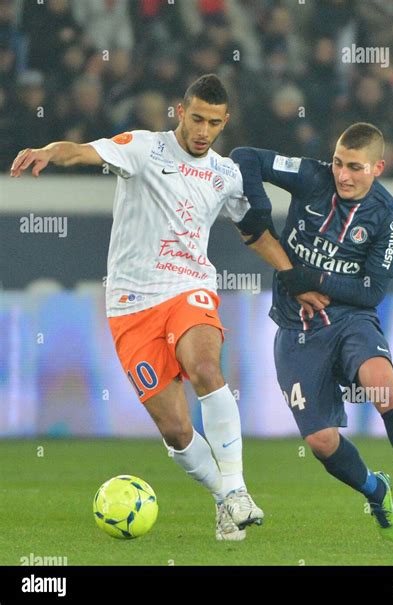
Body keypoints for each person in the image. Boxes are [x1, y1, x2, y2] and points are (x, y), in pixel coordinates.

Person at [10, 74, 265, 541]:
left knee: (206, 367)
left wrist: (293, 272)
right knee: (177, 431)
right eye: (196, 118)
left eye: (213, 122)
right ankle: (225, 499)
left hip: (190, 287)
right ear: (179, 112)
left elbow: (254, 229)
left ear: (225, 122)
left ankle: (238, 491)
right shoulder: (144, 148)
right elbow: (83, 150)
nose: (203, 130)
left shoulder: (226, 174)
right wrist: (50, 151)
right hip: (131, 304)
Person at [230, 122, 393, 541]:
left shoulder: (387, 216)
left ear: (378, 168)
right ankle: (376, 490)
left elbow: (371, 291)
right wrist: (260, 212)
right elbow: (245, 155)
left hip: (350, 320)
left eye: (355, 167)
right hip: (295, 327)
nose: (342, 175)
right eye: (338, 163)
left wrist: (309, 278)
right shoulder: (311, 176)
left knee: (382, 388)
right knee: (320, 441)